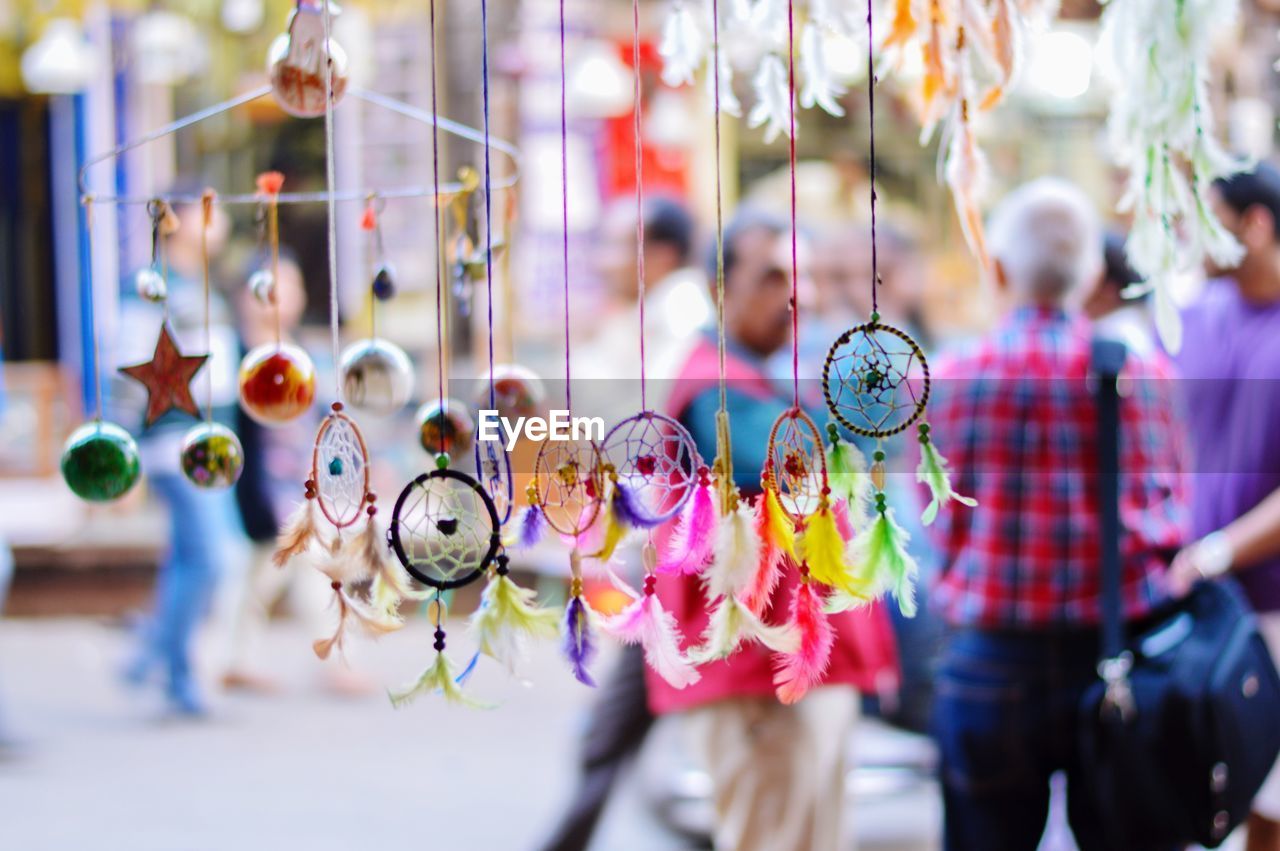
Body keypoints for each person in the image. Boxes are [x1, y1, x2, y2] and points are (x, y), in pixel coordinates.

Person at [926, 178, 1187, 851]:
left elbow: (938, 524)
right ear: (1093, 271)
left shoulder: (951, 377)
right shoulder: (1139, 373)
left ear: (999, 268)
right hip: (1115, 656)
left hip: (988, 660)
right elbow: (1168, 518)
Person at [654, 209, 897, 851]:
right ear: (720, 289)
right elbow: (793, 461)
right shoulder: (714, 386)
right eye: (773, 277)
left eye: (807, 277)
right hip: (760, 681)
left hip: (797, 671)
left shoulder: (764, 375)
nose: (799, 296)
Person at [538, 196, 707, 851]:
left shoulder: (682, 319)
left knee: (619, 724)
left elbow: (642, 420)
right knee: (631, 723)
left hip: (669, 552)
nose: (603, 260)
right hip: (653, 548)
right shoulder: (647, 317)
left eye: (616, 245)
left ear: (659, 253)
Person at [1166, 162, 1280, 851]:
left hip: (1270, 605)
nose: (1190, 236)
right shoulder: (1194, 314)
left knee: (1271, 799)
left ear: (1257, 224)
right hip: (1197, 600)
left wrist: (1214, 553)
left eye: (1208, 220)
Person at [116, 190, 247, 716]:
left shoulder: (210, 285)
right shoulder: (150, 287)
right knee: (218, 555)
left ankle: (161, 659)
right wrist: (123, 462)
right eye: (207, 210)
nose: (220, 222)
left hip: (214, 446)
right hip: (175, 444)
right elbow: (128, 370)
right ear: (176, 219)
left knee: (192, 557)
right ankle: (165, 657)